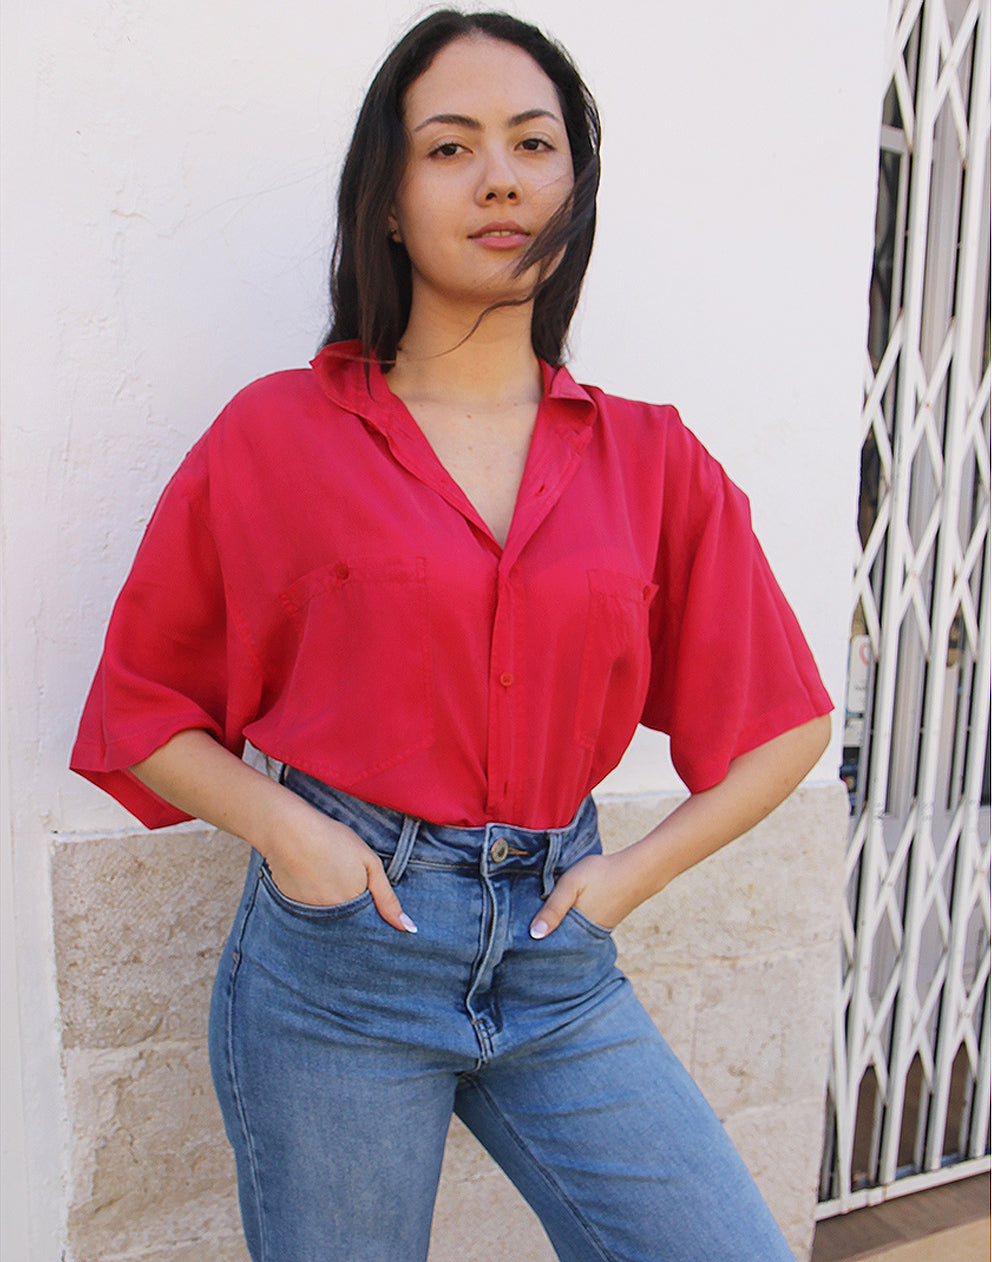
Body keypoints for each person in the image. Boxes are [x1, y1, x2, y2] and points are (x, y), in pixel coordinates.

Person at [71, 10, 832, 1261]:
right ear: (385, 197)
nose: (500, 178)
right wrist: (290, 833)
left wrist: (622, 880)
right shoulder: (278, 437)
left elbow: (786, 721)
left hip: (556, 959)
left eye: (535, 144)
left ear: (571, 188)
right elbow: (142, 708)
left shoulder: (651, 458)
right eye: (450, 146)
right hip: (341, 966)